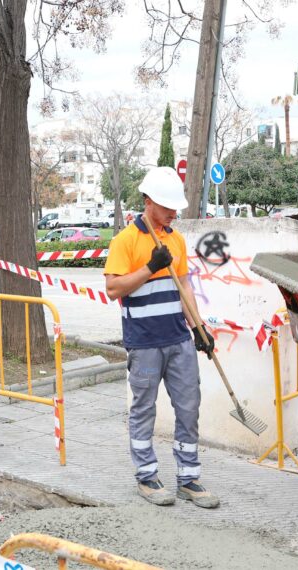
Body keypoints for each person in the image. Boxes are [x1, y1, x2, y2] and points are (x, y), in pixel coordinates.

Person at [103, 166, 219, 509]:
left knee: (189, 407)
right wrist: (150, 267)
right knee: (143, 410)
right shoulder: (125, 241)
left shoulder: (176, 239)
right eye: (167, 206)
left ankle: (189, 479)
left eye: (175, 206)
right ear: (148, 201)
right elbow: (113, 288)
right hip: (144, 343)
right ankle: (147, 476)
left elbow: (184, 286)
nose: (173, 212)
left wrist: (198, 328)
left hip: (178, 338)